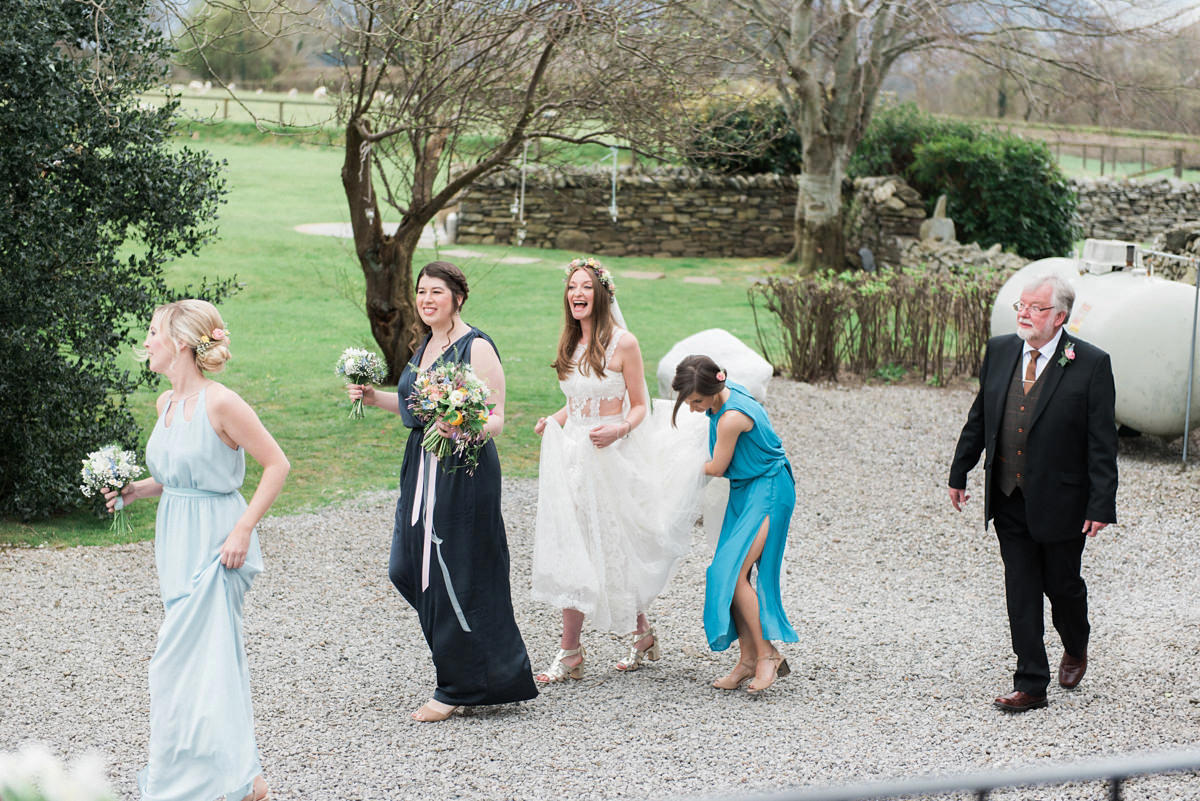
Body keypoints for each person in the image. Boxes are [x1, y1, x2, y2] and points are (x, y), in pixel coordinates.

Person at [105, 299, 289, 801]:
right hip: (175, 541)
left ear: (180, 343)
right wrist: (134, 491)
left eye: (152, 331)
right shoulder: (166, 404)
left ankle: (217, 779)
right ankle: (243, 781)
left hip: (217, 544)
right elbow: (175, 477)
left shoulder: (222, 403)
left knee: (186, 664)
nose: (146, 341)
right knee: (191, 666)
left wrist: (243, 529)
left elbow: (277, 465)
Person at [347, 261, 538, 722]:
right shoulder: (426, 345)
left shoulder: (477, 347)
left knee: (453, 572)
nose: (427, 299)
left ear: (457, 298)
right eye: (421, 291)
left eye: (436, 292)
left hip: (462, 472)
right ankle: (481, 662)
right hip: (421, 466)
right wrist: (375, 398)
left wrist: (463, 429)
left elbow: (496, 417)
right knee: (407, 568)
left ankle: (455, 685)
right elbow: (415, 406)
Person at [948, 273, 1118, 712]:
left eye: (1035, 308)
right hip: (1008, 495)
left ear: (1060, 316)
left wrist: (1101, 503)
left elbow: (1102, 443)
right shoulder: (1000, 350)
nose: (1023, 313)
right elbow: (981, 416)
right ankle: (1031, 682)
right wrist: (960, 470)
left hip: (1063, 501)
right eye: (1020, 305)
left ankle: (1076, 643)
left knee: (1062, 586)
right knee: (1020, 587)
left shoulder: (1091, 363)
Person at [530, 257, 701, 683]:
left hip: (610, 458)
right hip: (571, 457)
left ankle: (641, 633)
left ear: (601, 293)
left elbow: (640, 404)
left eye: (585, 286)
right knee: (574, 546)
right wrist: (553, 420)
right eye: (572, 286)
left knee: (614, 547)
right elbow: (576, 404)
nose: (577, 293)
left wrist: (620, 427)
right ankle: (571, 652)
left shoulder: (624, 343)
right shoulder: (569, 344)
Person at [671, 354, 798, 692]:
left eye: (697, 401)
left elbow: (717, 467)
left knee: (734, 572)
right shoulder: (724, 396)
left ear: (716, 386)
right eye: (688, 402)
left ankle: (767, 655)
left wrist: (670, 466)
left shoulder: (731, 418)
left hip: (769, 489)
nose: (694, 408)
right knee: (723, 573)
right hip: (746, 491)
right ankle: (747, 660)